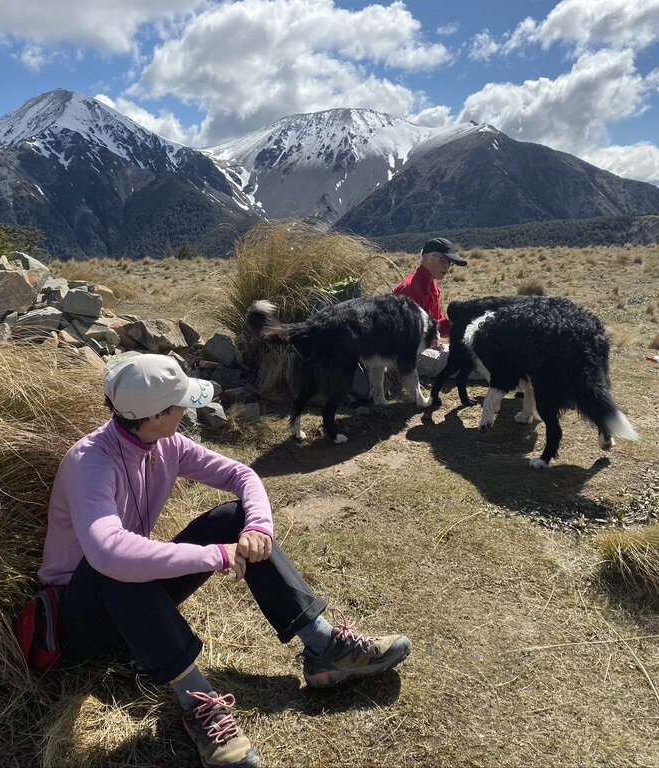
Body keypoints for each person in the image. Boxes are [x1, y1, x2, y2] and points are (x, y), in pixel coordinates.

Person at [39, 353, 412, 768]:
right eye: (180, 404)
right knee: (114, 567)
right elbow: (109, 552)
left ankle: (324, 645)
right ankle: (200, 702)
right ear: (157, 416)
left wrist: (257, 529)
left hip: (131, 597)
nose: (186, 409)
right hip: (79, 616)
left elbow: (243, 476)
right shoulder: (90, 462)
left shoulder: (163, 443)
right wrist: (214, 556)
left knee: (232, 519)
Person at [393, 237, 467, 377]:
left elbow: (437, 325)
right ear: (425, 257)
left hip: (427, 346)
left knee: (470, 354)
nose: (447, 266)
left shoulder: (433, 287)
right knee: (467, 362)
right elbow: (407, 338)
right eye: (442, 260)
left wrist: (457, 323)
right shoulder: (410, 289)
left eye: (450, 262)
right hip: (409, 353)